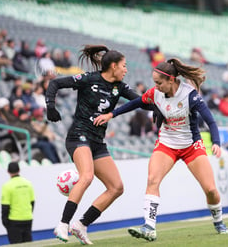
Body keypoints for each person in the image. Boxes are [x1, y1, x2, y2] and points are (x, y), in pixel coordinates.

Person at [94, 58, 228, 241]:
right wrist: (111, 114)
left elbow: (211, 121)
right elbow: (135, 104)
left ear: (171, 80)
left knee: (211, 190)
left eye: (159, 83)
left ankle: (219, 221)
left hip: (191, 146)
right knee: (152, 180)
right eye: (154, 83)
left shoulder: (190, 95)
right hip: (167, 144)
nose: (156, 87)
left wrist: (216, 142)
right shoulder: (155, 93)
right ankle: (149, 227)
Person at [46, 44, 151, 245]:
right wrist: (50, 105)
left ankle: (82, 224)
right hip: (78, 136)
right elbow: (55, 84)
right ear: (113, 66)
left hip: (97, 142)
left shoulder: (120, 87)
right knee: (87, 176)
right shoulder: (89, 79)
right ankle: (63, 224)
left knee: (117, 187)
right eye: (124, 66)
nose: (126, 69)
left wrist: (164, 103)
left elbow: (142, 102)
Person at [1, 162, 35, 244]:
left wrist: (5, 222)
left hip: (14, 220)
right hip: (27, 218)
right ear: (19, 170)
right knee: (28, 244)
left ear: (8, 171)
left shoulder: (7, 186)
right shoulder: (28, 183)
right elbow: (32, 202)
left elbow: (5, 207)